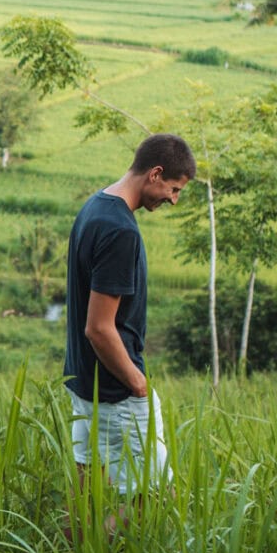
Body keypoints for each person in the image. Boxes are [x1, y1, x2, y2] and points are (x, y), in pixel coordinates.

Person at [64, 133, 196, 500]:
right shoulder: (121, 231)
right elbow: (99, 328)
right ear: (155, 173)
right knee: (157, 501)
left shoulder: (95, 206)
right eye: (174, 189)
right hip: (115, 392)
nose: (173, 199)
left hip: (85, 383)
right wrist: (137, 384)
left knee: (89, 495)